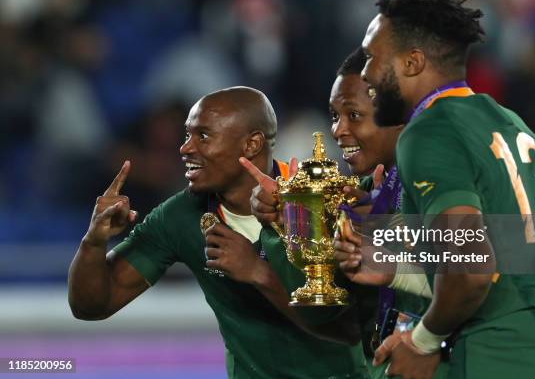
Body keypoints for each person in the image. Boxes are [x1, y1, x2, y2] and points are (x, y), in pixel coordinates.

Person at [334, 0, 535, 379]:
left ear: (412, 62)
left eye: (373, 56)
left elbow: (471, 268)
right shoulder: (510, 124)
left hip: (503, 356)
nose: (368, 72)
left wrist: (423, 341)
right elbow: (512, 260)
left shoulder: (430, 132)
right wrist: (400, 268)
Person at [68, 86, 368, 379]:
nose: (185, 148)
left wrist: (257, 272)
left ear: (251, 144)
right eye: (188, 134)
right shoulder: (180, 217)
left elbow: (355, 329)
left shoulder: (323, 198)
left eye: (203, 136)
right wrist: (94, 241)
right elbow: (92, 305)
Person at [242, 48, 438, 379]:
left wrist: (387, 229)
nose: (338, 130)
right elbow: (325, 316)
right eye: (334, 116)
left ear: (397, 112)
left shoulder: (442, 174)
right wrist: (288, 222)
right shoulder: (353, 196)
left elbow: (505, 261)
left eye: (354, 116)